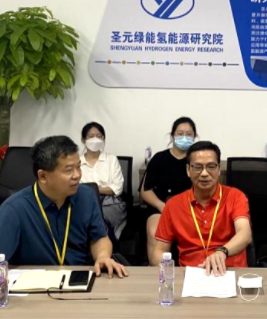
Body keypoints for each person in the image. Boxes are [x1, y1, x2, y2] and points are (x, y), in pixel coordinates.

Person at [0, 135, 127, 303]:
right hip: (33, 296)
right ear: (43, 176)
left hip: (80, 289)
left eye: (78, 167)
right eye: (68, 170)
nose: (77, 175)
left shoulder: (86, 196)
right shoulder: (15, 208)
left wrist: (103, 256)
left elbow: (99, 238)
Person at [151, 141, 252, 276]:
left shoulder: (235, 197)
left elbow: (245, 234)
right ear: (188, 170)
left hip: (230, 272)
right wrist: (171, 274)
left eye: (211, 167)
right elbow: (159, 251)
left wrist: (222, 251)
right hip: (189, 275)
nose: (204, 173)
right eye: (197, 167)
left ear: (219, 169)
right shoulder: (173, 205)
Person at [140, 116, 197, 260]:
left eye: (189, 134)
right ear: (172, 136)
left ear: (194, 137)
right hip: (161, 209)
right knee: (155, 232)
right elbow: (145, 191)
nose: (184, 137)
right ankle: (156, 269)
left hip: (190, 209)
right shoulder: (159, 159)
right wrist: (162, 206)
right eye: (180, 133)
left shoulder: (196, 161)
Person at [79, 122, 127, 239]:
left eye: (99, 136)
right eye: (91, 136)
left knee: (98, 219)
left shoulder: (111, 159)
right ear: (83, 140)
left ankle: (104, 241)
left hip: (109, 204)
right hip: (84, 203)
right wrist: (101, 189)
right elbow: (75, 188)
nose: (95, 139)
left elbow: (117, 188)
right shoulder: (77, 162)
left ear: (103, 139)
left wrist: (93, 189)